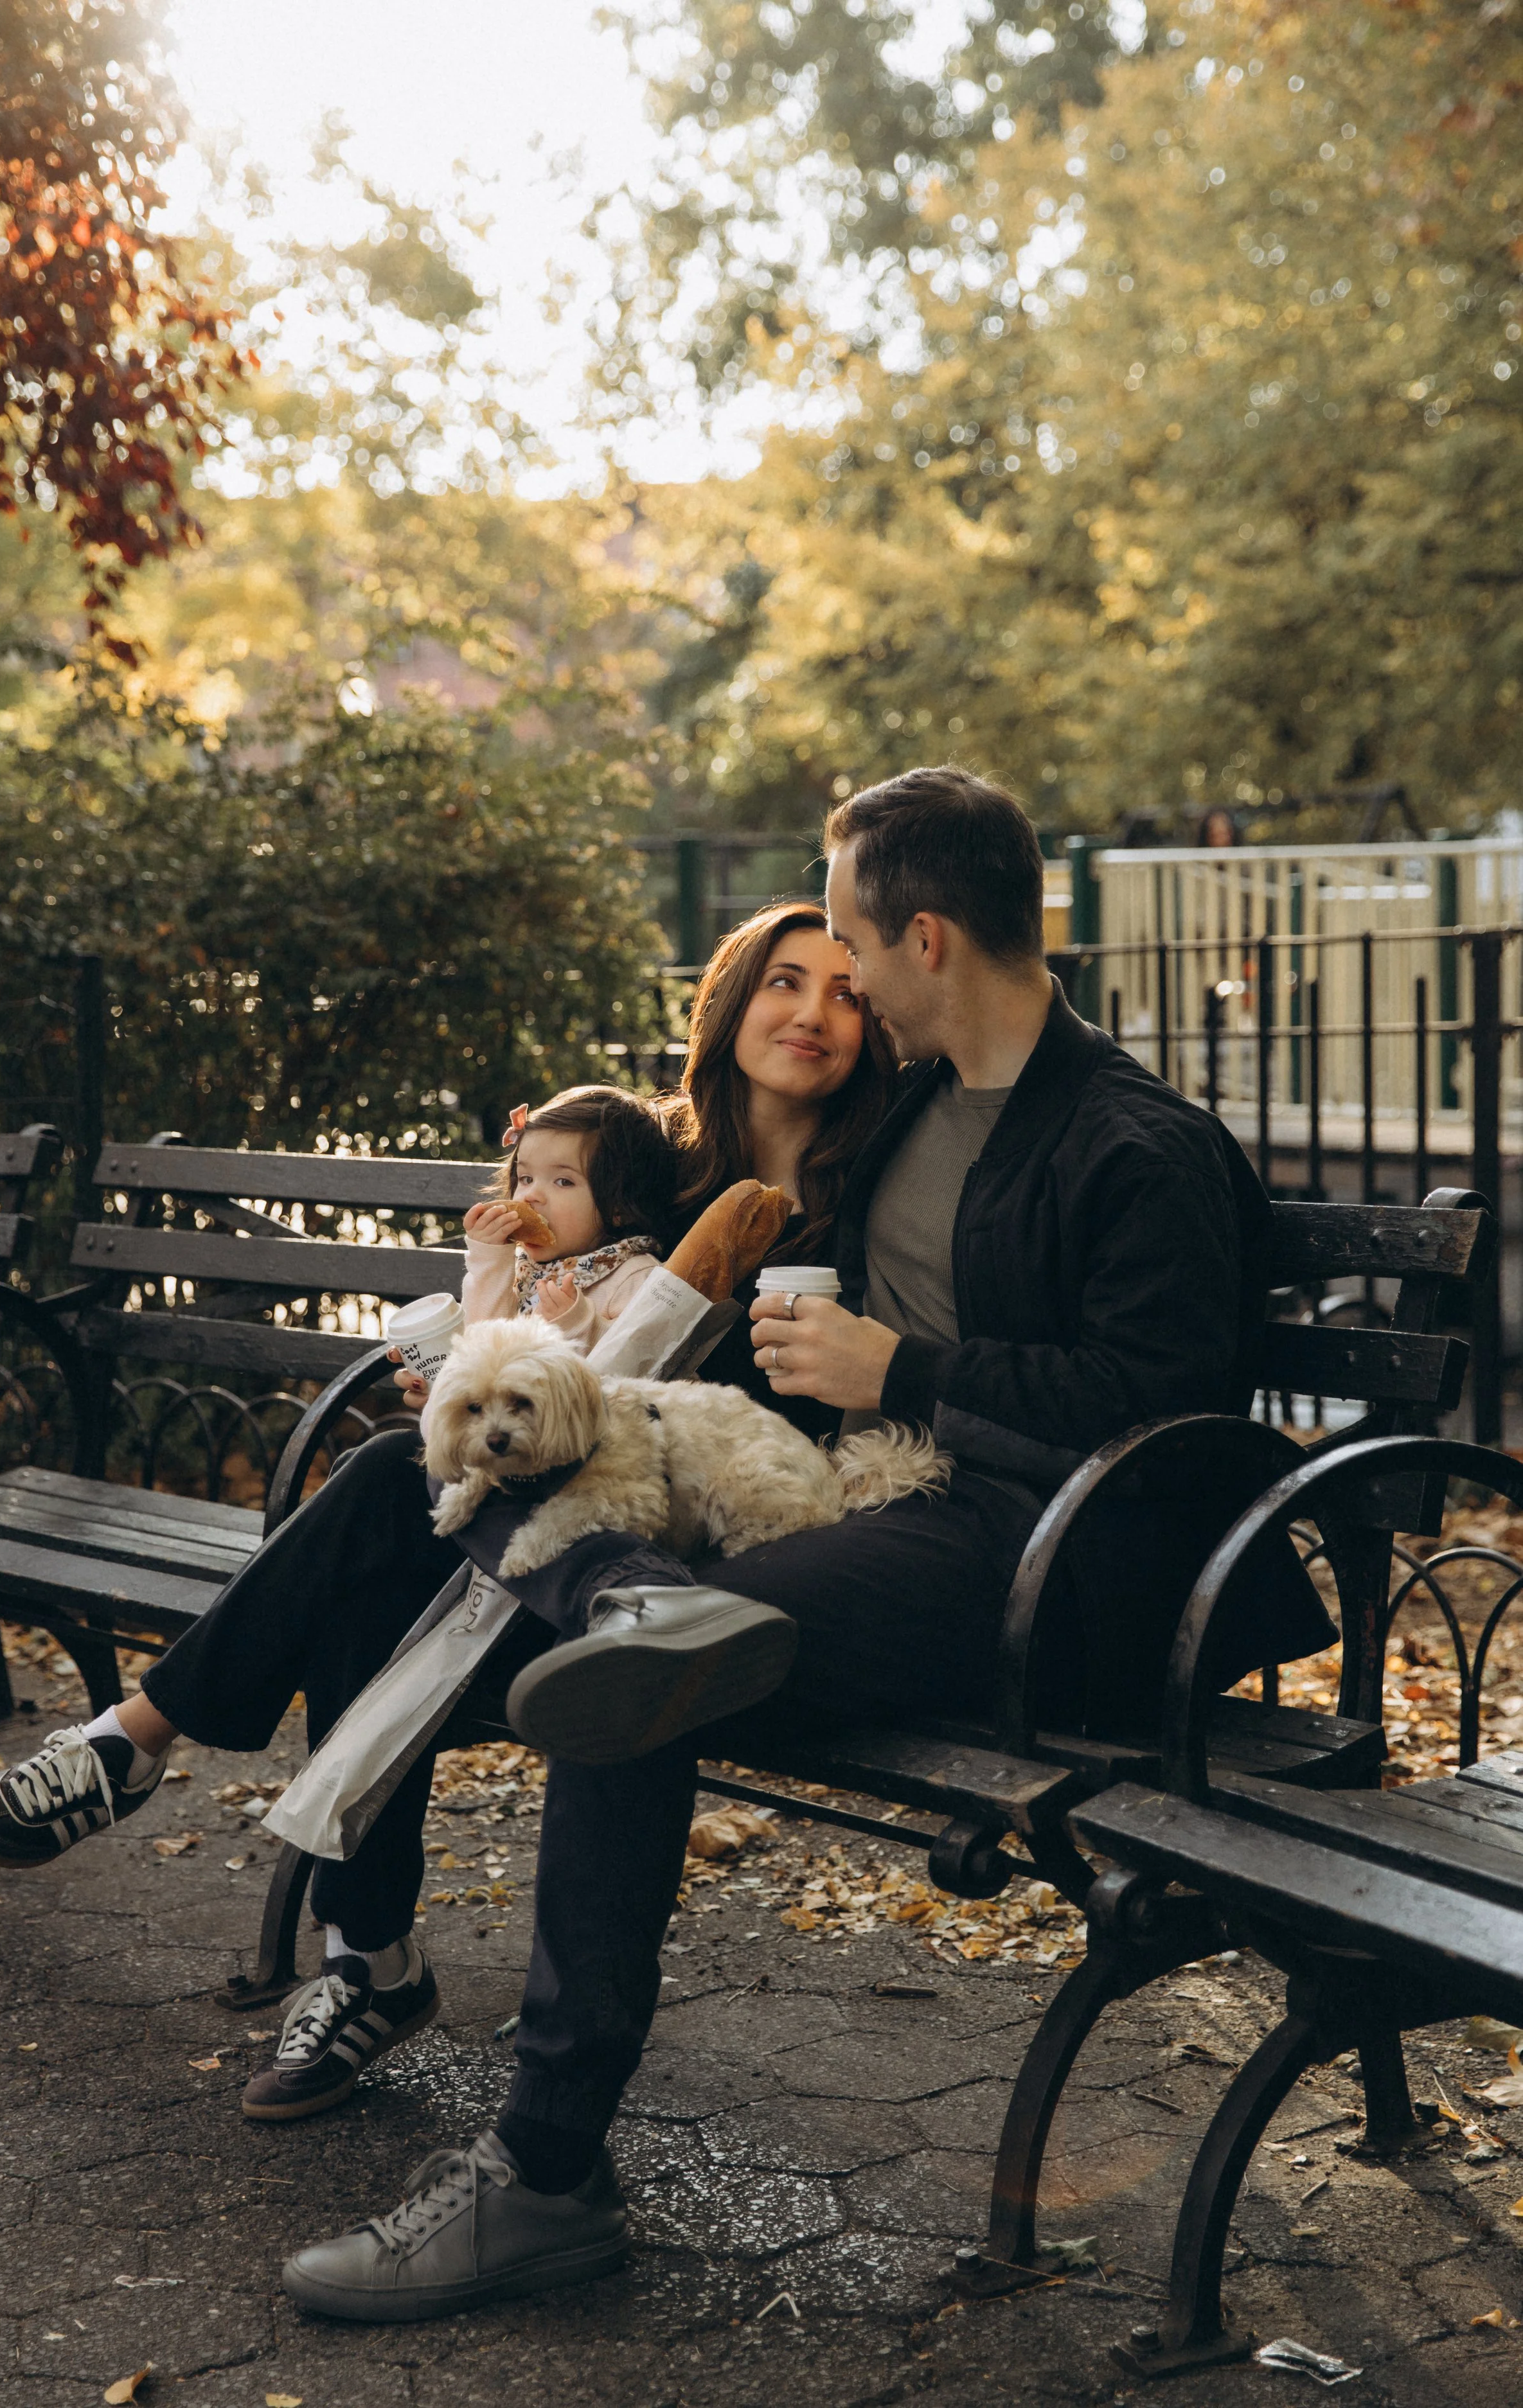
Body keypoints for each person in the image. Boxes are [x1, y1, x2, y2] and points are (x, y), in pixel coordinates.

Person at [271, 765, 1337, 2326]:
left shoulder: (1130, 1144)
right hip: (872, 1508)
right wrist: (556, 1214)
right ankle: (478, 1912)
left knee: (632, 1677)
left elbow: (1168, 1410)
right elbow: (714, 1181)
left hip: (1053, 1561)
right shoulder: (912, 1108)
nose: (837, 978)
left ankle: (543, 2176)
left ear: (924, 937)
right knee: (530, 1558)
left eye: (848, 942)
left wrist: (900, 1369)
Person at [0, 901, 894, 2131]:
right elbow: (531, 1261)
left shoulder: (859, 1195)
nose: (812, 1013)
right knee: (375, 1557)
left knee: (393, 1488)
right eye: (783, 980)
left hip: (666, 1564)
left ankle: (168, 1766)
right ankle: (360, 1956)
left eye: (845, 990)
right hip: (533, 1504)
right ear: (729, 1000)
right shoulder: (649, 1156)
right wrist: (479, 1357)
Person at [459, 1084, 677, 1352]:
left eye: (563, 1181)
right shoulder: (520, 1268)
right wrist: (489, 1262)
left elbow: (645, 1363)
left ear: (620, 1209)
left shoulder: (634, 1277)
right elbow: (480, 1350)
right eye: (526, 1178)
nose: (531, 1195)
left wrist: (582, 1325)